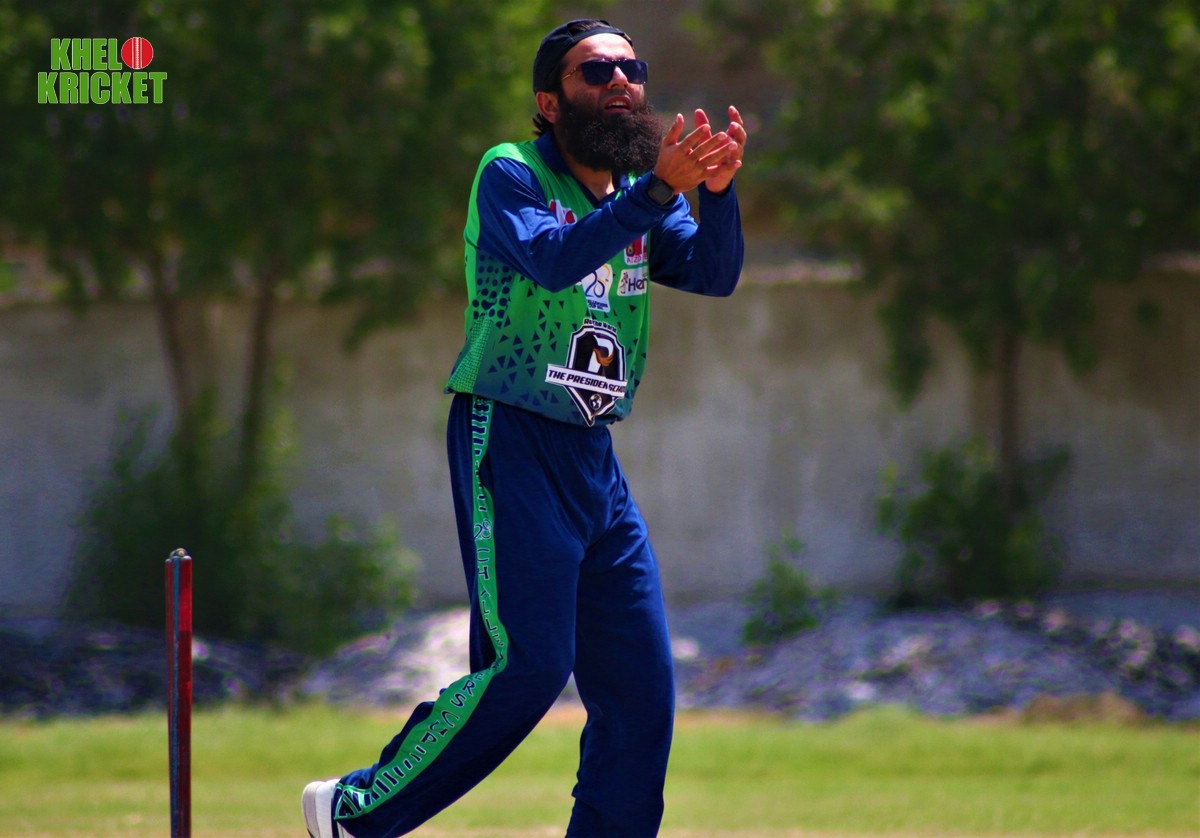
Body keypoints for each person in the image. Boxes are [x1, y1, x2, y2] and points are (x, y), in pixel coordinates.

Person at [303, 18, 747, 838]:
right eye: (595, 72)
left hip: (593, 458)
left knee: (641, 692)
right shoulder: (511, 172)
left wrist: (715, 193)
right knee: (529, 666)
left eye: (632, 67)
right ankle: (355, 811)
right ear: (550, 103)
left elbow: (713, 273)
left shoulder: (635, 193)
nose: (621, 82)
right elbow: (553, 260)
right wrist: (660, 192)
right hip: (509, 435)